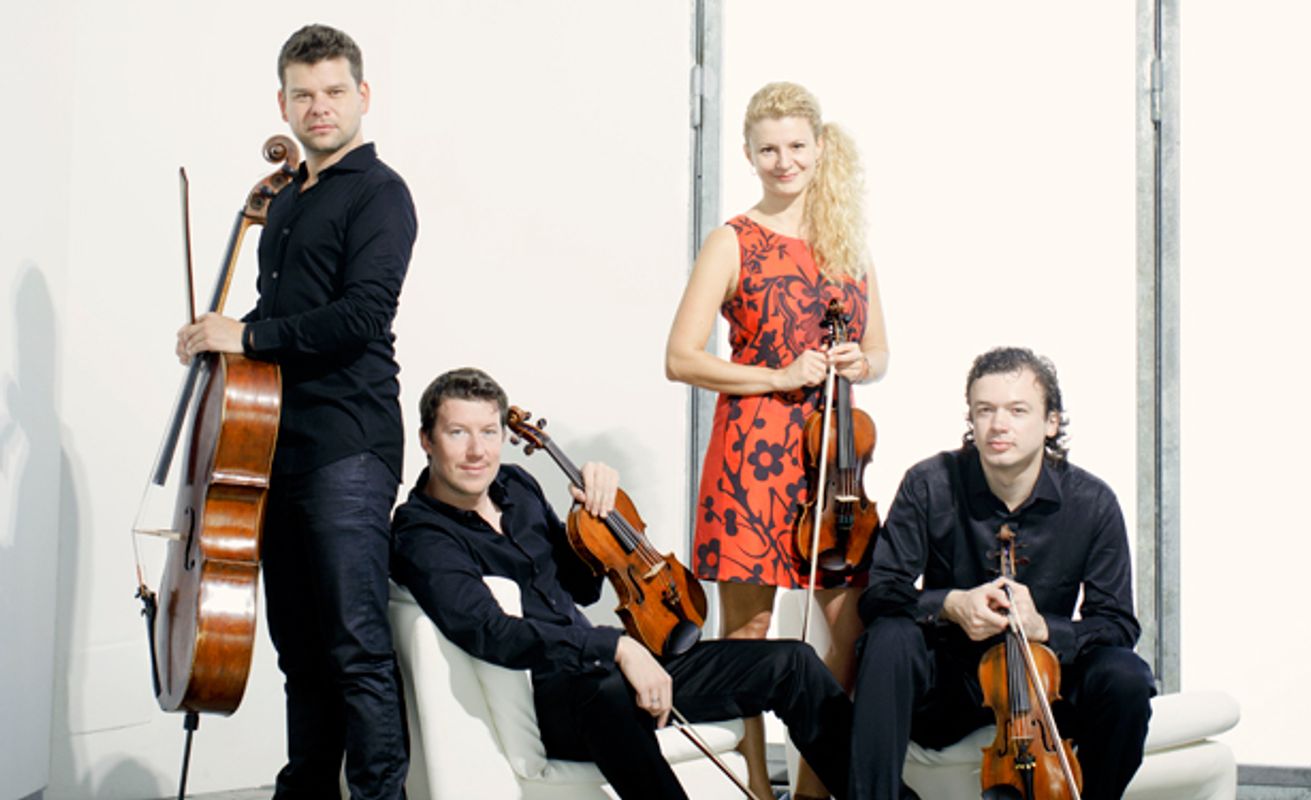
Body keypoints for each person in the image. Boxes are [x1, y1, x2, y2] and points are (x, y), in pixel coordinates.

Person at [390, 368, 855, 800]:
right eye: (458, 433)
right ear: (427, 440)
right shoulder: (421, 532)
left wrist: (598, 522)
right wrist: (616, 647)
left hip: (599, 669)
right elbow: (492, 632)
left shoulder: (516, 486)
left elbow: (581, 589)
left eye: (489, 432)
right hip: (551, 696)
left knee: (792, 663)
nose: (477, 451)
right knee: (607, 687)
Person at [175, 24, 415, 798]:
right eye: (303, 95)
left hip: (348, 443)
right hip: (275, 444)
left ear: (362, 96)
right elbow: (283, 316)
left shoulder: (380, 193)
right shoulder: (284, 202)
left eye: (334, 92)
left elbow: (362, 316)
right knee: (301, 653)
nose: (319, 107)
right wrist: (220, 338)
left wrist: (247, 335)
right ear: (282, 103)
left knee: (355, 646)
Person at [665, 80, 888, 799]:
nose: (783, 161)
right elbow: (680, 357)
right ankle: (755, 786)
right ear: (747, 154)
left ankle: (816, 787)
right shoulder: (732, 240)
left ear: (819, 147)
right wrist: (777, 374)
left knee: (848, 627)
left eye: (795, 146)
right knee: (750, 632)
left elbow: (880, 352)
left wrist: (861, 363)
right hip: (751, 457)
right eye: (768, 149)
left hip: (834, 467)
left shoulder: (847, 243)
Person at [850, 347, 1155, 800]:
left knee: (1126, 676)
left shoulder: (1092, 503)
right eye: (985, 410)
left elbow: (1117, 625)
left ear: (1051, 422)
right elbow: (880, 593)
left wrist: (1043, 629)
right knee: (888, 637)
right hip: (951, 684)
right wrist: (950, 604)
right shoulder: (930, 484)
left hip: (1045, 689)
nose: (998, 425)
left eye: (1017, 410)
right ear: (971, 419)